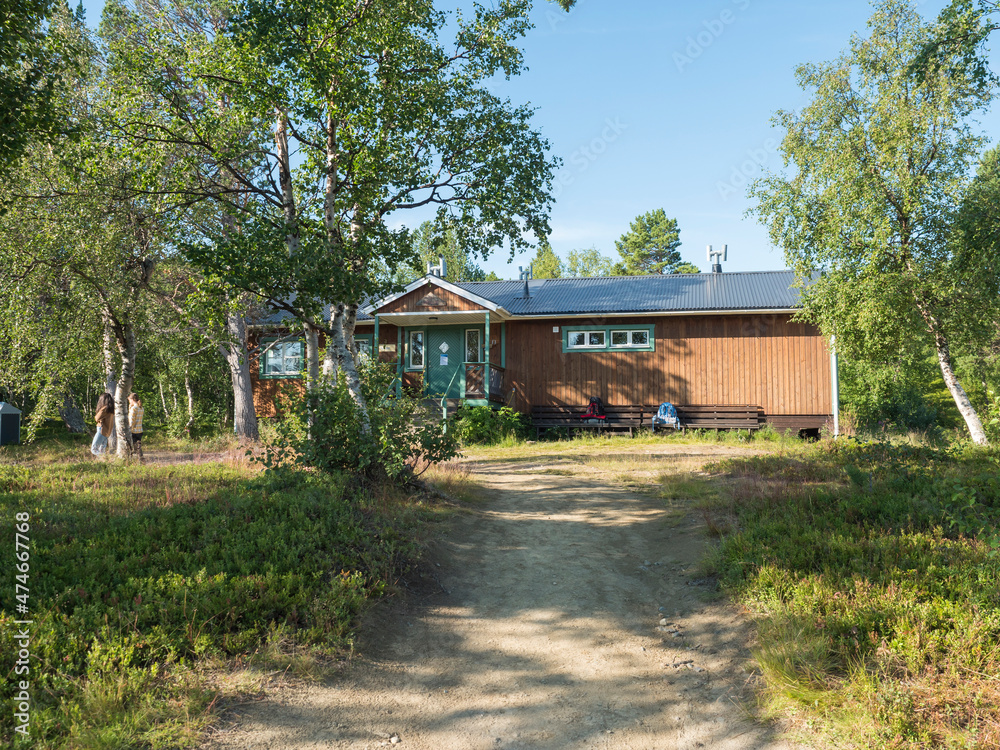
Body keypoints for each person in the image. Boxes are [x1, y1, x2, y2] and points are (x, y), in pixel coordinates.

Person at [91, 392, 115, 456]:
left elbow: (96, 418)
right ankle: (103, 461)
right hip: (107, 431)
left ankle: (103, 459)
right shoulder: (111, 409)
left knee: (94, 449)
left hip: (101, 430)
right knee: (102, 450)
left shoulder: (104, 409)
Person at [128, 392, 145, 461]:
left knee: (130, 447)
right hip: (140, 430)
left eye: (129, 400)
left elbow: (131, 421)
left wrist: (129, 428)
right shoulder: (141, 408)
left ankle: (130, 459)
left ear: (132, 399)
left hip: (133, 431)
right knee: (138, 447)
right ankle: (141, 459)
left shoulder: (133, 409)